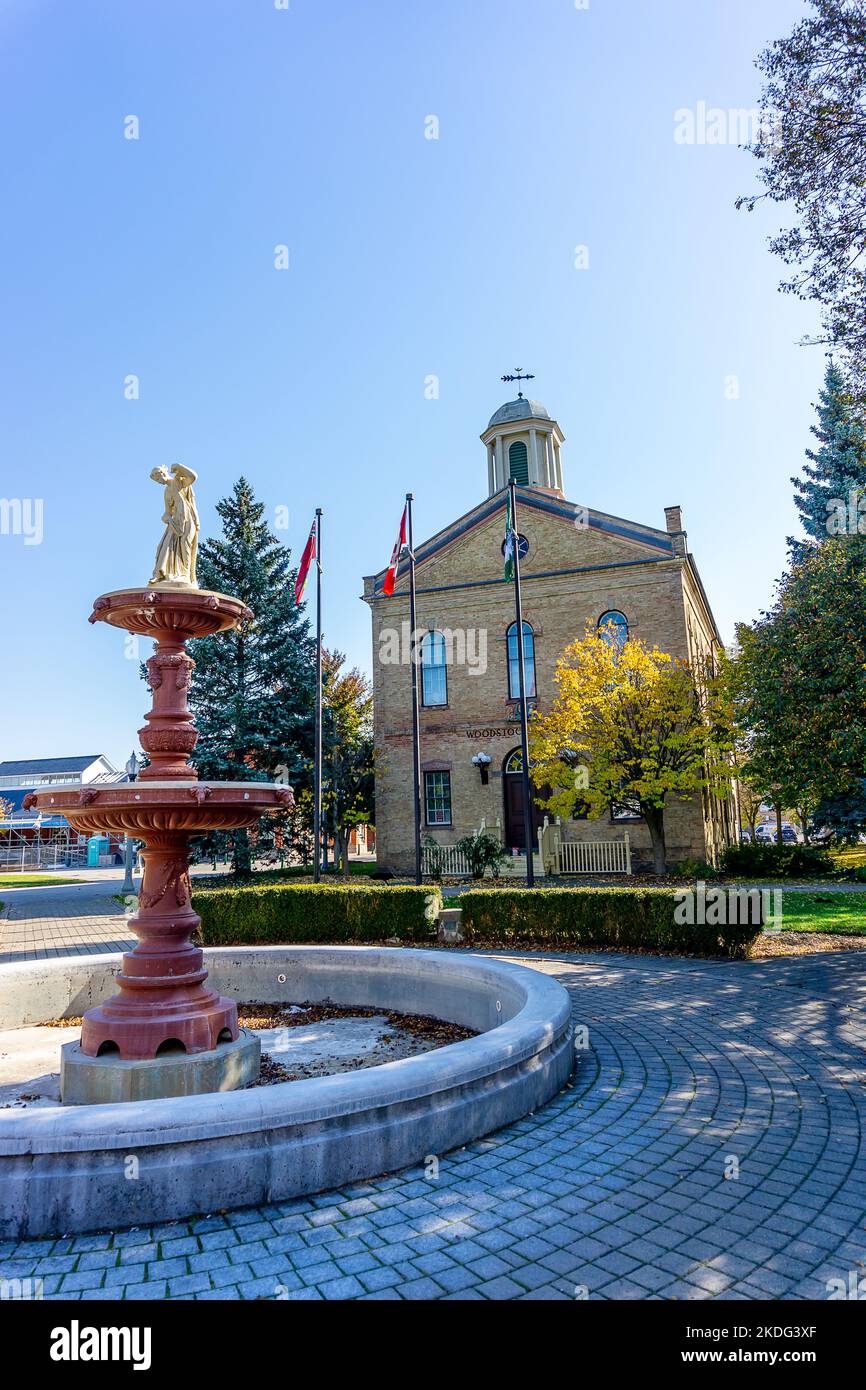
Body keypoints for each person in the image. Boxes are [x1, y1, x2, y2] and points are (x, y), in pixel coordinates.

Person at [149, 464, 199, 586]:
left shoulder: (179, 481)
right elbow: (167, 512)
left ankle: (185, 574)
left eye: (157, 478)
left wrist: (178, 466)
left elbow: (193, 477)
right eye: (156, 480)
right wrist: (165, 517)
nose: (158, 481)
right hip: (175, 521)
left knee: (185, 543)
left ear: (162, 473)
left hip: (187, 519)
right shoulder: (166, 492)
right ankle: (161, 574)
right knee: (164, 546)